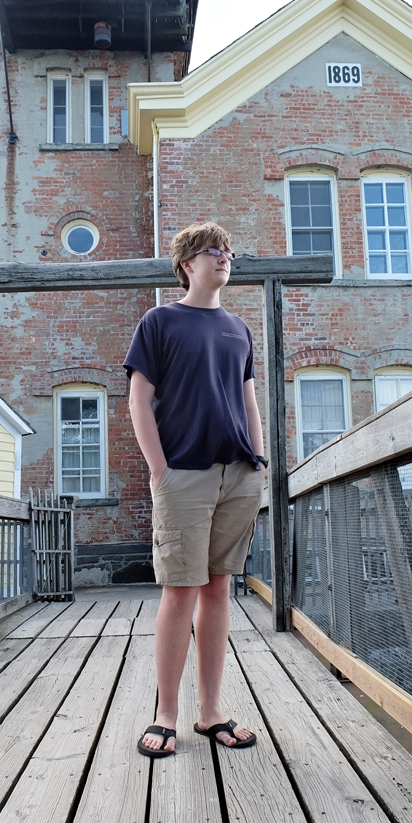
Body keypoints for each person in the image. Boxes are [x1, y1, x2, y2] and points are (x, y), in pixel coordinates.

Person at [124, 221, 267, 757]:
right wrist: (159, 470)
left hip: (239, 474)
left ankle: (211, 712)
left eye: (230, 251)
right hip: (183, 473)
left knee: (217, 589)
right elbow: (140, 401)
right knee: (179, 590)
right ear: (187, 263)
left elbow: (249, 401)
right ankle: (166, 714)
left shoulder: (238, 328)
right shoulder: (159, 322)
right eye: (214, 251)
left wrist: (258, 462)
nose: (225, 258)